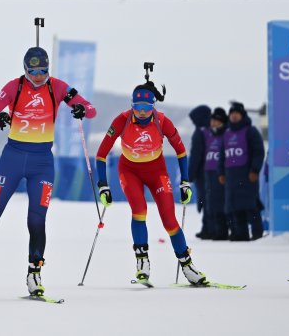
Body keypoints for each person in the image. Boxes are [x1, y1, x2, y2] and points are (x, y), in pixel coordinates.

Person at [0, 46, 95, 297]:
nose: (39, 77)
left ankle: (34, 273)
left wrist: (81, 109)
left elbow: (90, 108)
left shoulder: (57, 86)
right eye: (33, 72)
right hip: (11, 160)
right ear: (25, 70)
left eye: (43, 71)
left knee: (37, 219)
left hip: (42, 164)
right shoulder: (15, 87)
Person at [95, 80, 207, 286]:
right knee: (139, 210)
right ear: (132, 105)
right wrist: (103, 185)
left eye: (147, 107)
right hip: (129, 171)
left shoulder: (162, 121)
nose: (142, 112)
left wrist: (185, 181)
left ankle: (187, 266)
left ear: (153, 106)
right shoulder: (122, 120)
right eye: (137, 107)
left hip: (157, 172)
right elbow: (101, 154)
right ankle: (142, 262)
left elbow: (181, 151)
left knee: (169, 220)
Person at [217, 102, 265, 241]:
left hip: (247, 176)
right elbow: (222, 156)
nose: (234, 116)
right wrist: (221, 173)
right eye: (232, 113)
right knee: (235, 207)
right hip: (231, 177)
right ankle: (241, 234)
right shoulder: (226, 134)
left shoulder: (251, 131)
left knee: (251, 206)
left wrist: (254, 170)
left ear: (242, 115)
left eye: (237, 113)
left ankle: (257, 233)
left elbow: (258, 152)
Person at [202, 107, 229, 240]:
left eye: (216, 120)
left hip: (221, 173)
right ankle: (214, 230)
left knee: (220, 202)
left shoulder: (226, 134)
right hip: (209, 172)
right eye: (212, 120)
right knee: (211, 202)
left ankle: (222, 231)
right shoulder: (210, 134)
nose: (212, 123)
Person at [187, 105, 211, 239]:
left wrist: (190, 175)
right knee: (210, 199)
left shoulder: (199, 133)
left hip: (202, 172)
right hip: (213, 170)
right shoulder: (212, 130)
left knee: (204, 199)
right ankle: (210, 227)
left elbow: (195, 156)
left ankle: (207, 228)